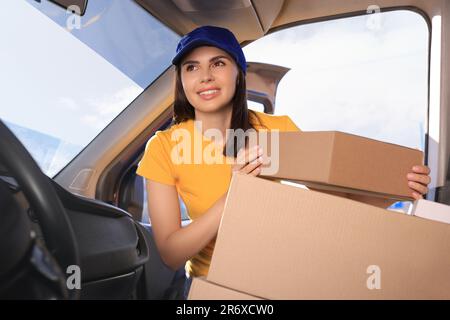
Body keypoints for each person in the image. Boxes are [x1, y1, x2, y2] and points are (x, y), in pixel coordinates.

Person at [136, 25, 431, 299]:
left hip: (282, 278)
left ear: (238, 73)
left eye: (218, 63)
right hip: (215, 286)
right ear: (182, 80)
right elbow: (172, 253)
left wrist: (393, 190)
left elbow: (340, 206)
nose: (205, 76)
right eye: (191, 67)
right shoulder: (164, 147)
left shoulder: (276, 130)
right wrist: (233, 195)